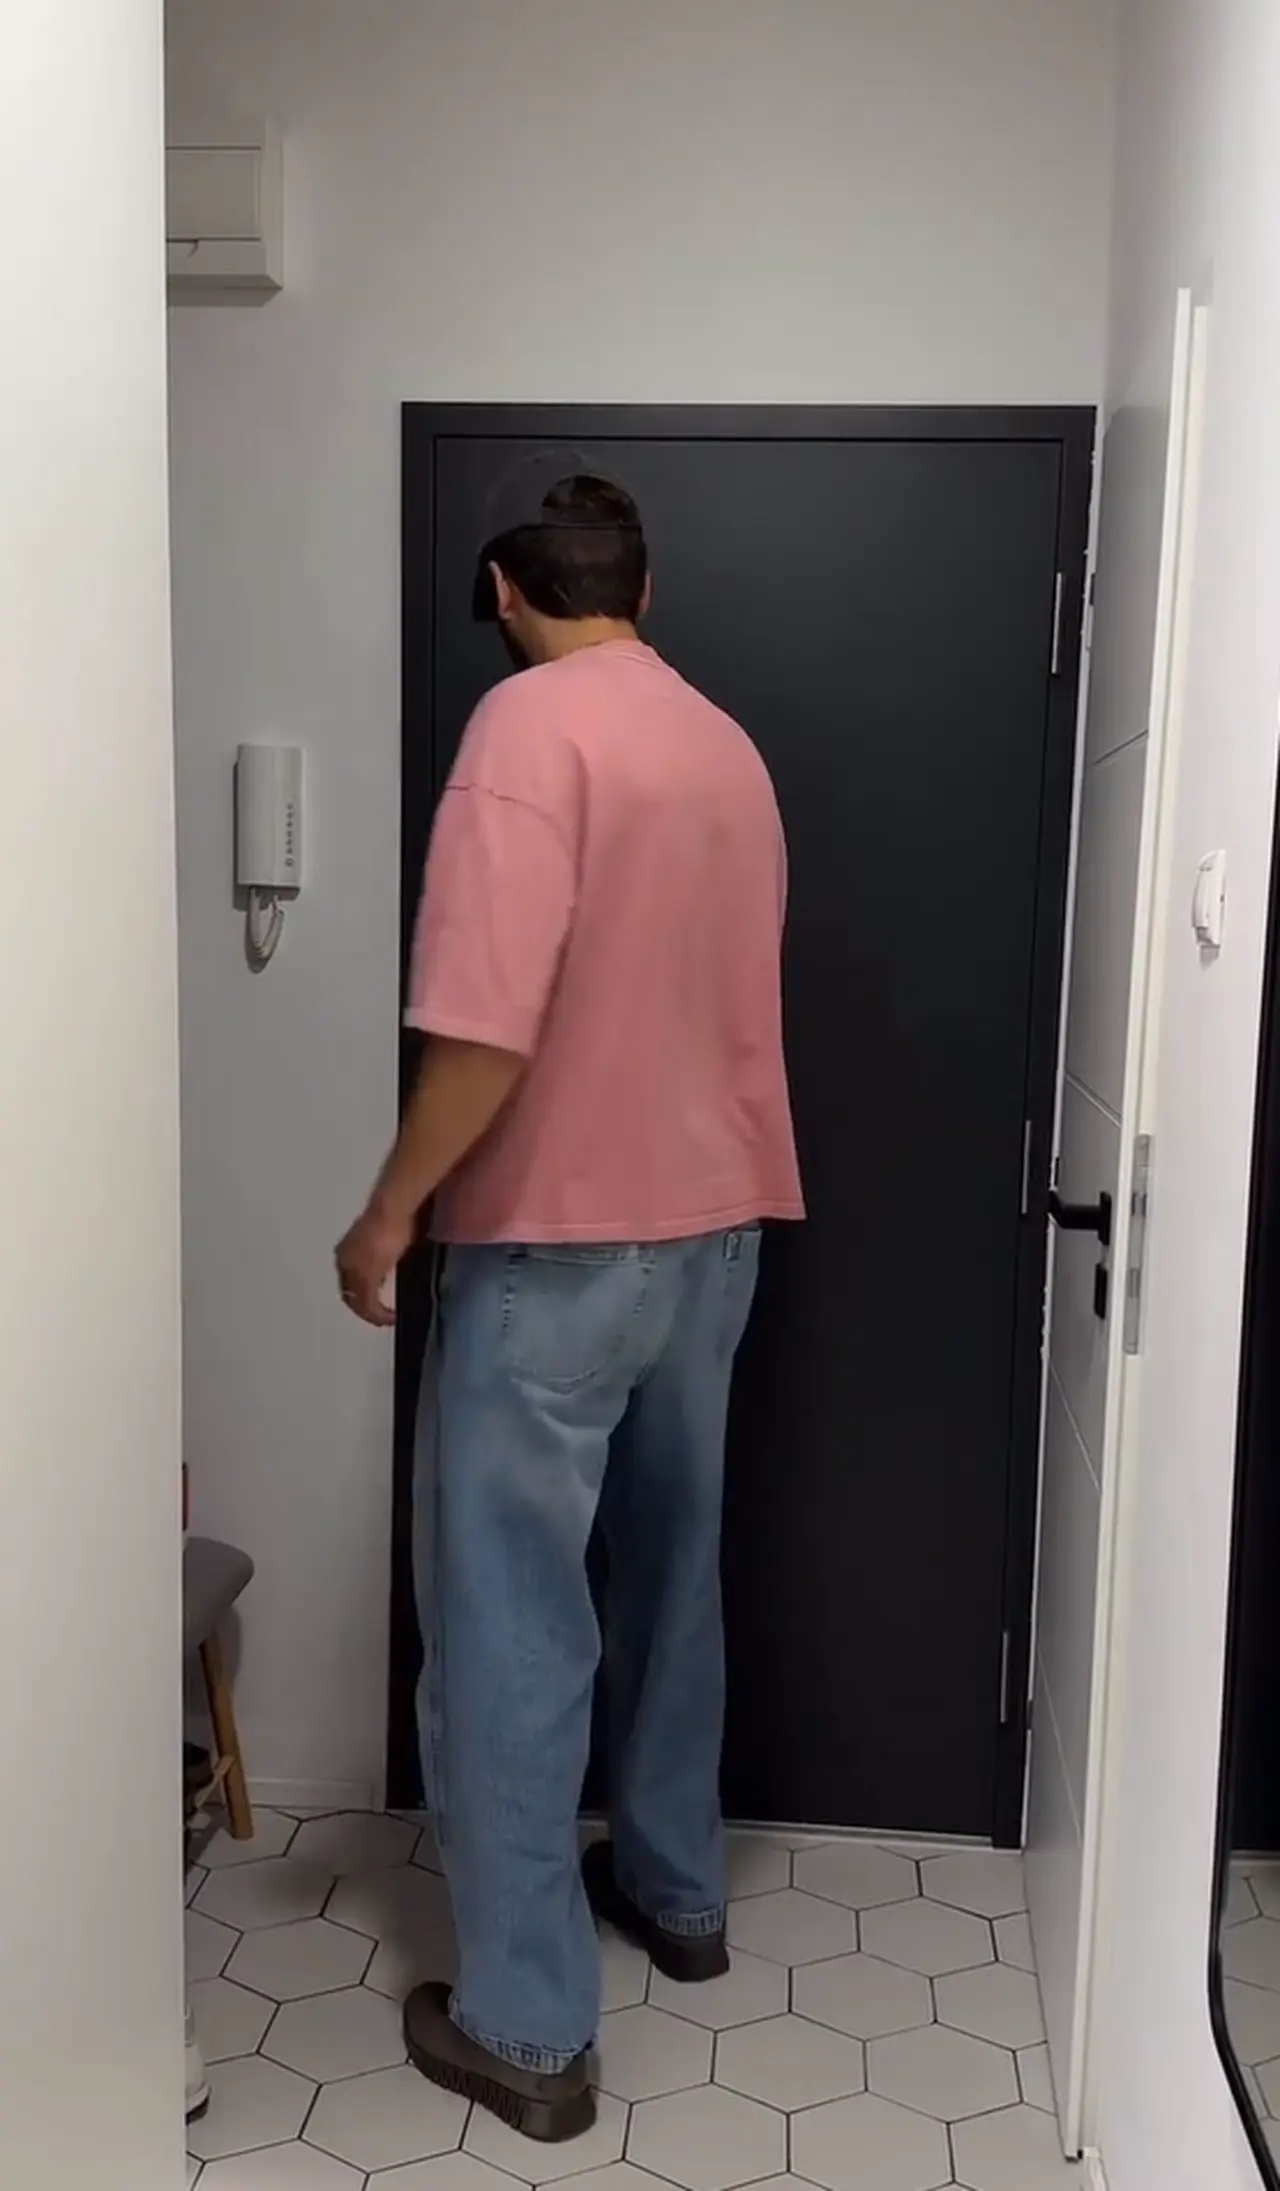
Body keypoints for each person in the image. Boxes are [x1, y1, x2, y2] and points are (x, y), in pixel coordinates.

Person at [336, 465, 803, 2142]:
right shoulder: (726, 748)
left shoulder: (524, 734)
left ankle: (529, 2031)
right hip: (717, 1237)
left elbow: (486, 1023)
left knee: (508, 1626)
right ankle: (676, 1896)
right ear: (645, 592)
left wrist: (391, 1212)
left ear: (506, 592)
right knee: (672, 1577)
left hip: (555, 1254)